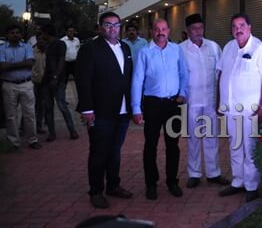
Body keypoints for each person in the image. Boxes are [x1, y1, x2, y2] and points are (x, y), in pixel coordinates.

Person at [76, 12, 134, 209]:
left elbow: (127, 78)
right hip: (100, 111)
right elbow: (83, 81)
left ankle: (113, 185)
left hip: (122, 110)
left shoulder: (125, 47)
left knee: (115, 151)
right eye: (108, 25)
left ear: (120, 27)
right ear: (100, 27)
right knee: (99, 152)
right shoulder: (90, 49)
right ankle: (96, 191)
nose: (112, 28)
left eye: (116, 25)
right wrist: (86, 109)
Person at [217, 13, 262, 202]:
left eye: (241, 25)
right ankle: (238, 181)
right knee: (235, 145)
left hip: (251, 109)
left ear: (249, 27)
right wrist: (220, 101)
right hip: (230, 108)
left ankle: (251, 185)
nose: (238, 29)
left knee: (249, 147)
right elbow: (221, 75)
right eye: (234, 26)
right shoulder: (228, 47)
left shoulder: (259, 48)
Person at [132, 19, 189, 200]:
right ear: (151, 31)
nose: (160, 32)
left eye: (163, 29)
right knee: (151, 145)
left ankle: (172, 181)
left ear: (169, 30)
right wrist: (135, 107)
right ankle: (151, 183)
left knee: (173, 145)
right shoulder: (144, 52)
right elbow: (137, 79)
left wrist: (182, 93)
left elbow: (184, 73)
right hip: (152, 104)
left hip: (173, 104)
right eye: (157, 29)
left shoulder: (176, 50)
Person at [180, 13, 229, 189]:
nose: (198, 31)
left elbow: (221, 74)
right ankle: (194, 174)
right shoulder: (181, 49)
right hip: (191, 101)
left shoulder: (214, 47)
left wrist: (221, 100)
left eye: (200, 28)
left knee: (211, 137)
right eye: (194, 28)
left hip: (210, 100)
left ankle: (213, 173)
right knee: (193, 138)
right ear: (187, 31)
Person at [0, 24, 41, 150]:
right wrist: (22, 64)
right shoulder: (2, 49)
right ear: (7, 34)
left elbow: (30, 64)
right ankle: (14, 142)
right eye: (12, 32)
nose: (15, 35)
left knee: (29, 114)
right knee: (11, 115)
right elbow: (2, 67)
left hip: (26, 84)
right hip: (9, 84)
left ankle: (32, 140)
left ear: (21, 34)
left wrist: (10, 65)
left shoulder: (27, 47)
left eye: (18, 32)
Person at [41, 24, 78, 141]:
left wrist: (56, 77)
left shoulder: (59, 44)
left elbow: (62, 60)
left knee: (62, 105)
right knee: (48, 107)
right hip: (46, 79)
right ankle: (52, 133)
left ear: (46, 33)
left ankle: (72, 130)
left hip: (57, 79)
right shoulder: (46, 45)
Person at [32, 35, 47, 134]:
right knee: (31, 105)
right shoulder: (31, 51)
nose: (41, 41)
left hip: (44, 82)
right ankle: (23, 126)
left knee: (41, 105)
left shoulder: (48, 51)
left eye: (43, 39)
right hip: (33, 81)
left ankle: (38, 126)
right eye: (39, 39)